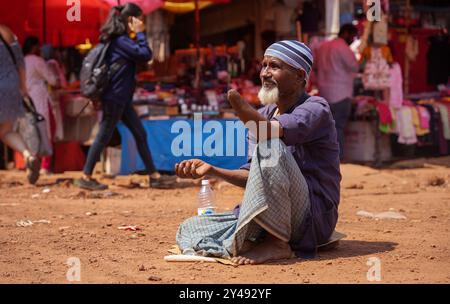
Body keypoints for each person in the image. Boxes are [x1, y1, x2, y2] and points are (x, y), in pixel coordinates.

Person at [175, 41, 341, 265]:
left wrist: (243, 109)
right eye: (263, 66)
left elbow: (268, 136)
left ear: (300, 75)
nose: (265, 73)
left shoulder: (315, 108)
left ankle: (277, 243)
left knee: (269, 143)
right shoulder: (264, 114)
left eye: (274, 66)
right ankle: (262, 234)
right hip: (275, 214)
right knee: (191, 227)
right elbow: (255, 177)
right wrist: (213, 170)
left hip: (312, 218)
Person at [74, 3, 170, 191]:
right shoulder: (120, 41)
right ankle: (86, 176)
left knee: (139, 133)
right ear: (130, 20)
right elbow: (145, 55)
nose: (142, 22)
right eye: (139, 19)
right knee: (103, 135)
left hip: (122, 98)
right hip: (115, 98)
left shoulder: (120, 40)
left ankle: (154, 176)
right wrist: (141, 34)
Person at [0, 25, 40, 184]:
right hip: (11, 85)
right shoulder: (7, 32)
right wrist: (23, 87)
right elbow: (20, 62)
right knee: (5, 131)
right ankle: (28, 155)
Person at [316, 24, 359, 160]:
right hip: (341, 93)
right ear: (346, 33)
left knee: (327, 128)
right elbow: (354, 66)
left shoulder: (322, 46)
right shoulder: (343, 48)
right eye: (352, 36)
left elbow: (315, 66)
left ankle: (327, 157)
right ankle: (338, 159)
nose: (353, 40)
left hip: (324, 93)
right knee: (338, 127)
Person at [23, 36, 60, 174]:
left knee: (29, 131)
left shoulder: (20, 61)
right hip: (39, 98)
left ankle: (31, 161)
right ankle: (45, 165)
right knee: (46, 130)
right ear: (34, 47)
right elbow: (52, 80)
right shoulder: (38, 61)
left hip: (25, 100)